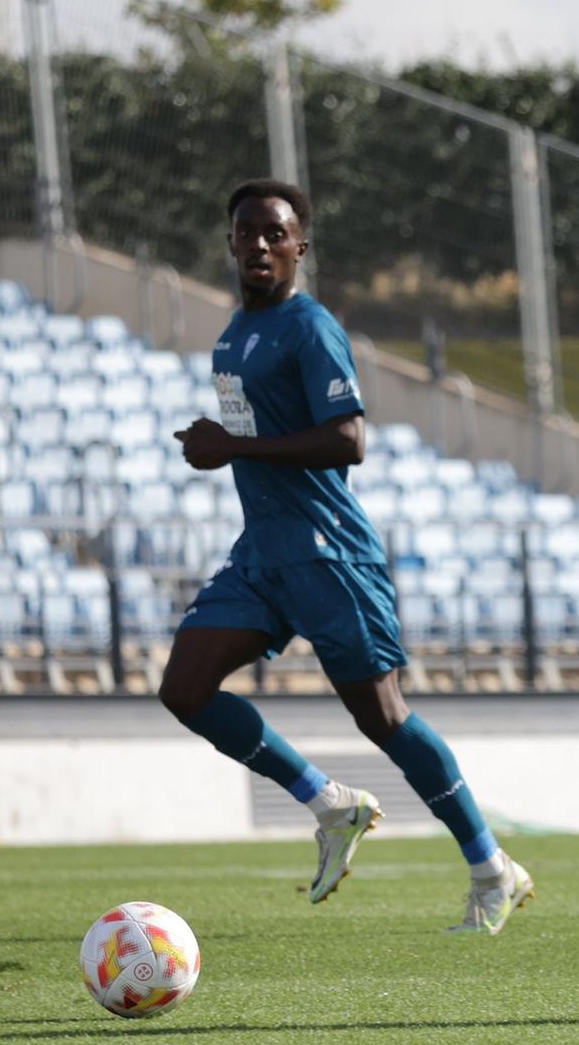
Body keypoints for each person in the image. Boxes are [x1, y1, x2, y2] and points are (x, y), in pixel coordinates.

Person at [158, 179, 534, 935]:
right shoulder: (233, 335)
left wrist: (230, 445)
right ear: (229, 242)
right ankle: (330, 803)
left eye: (276, 234)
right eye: (247, 233)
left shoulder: (310, 327)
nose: (260, 245)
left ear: (301, 246)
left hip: (329, 554)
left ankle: (493, 868)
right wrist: (227, 446)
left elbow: (348, 439)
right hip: (263, 553)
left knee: (383, 717)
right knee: (185, 687)